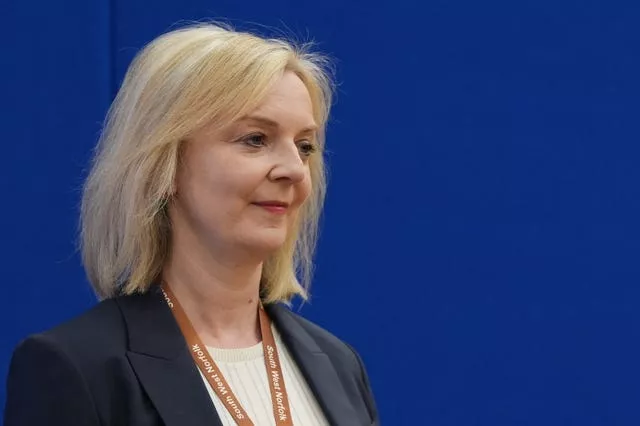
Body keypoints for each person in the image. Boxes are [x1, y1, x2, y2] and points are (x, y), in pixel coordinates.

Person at [4, 23, 378, 426]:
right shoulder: (78, 368)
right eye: (255, 139)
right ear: (165, 163)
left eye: (304, 146)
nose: (294, 170)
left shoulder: (339, 365)